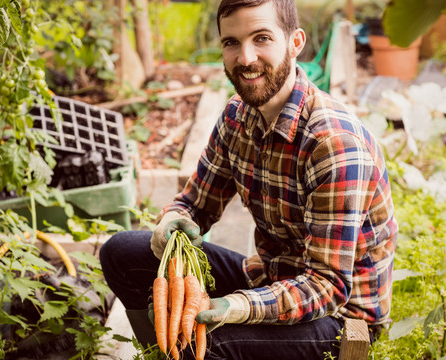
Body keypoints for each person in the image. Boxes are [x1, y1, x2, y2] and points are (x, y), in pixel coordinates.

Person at [99, 0, 398, 358]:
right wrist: (173, 220)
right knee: (122, 253)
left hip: (337, 315)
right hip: (270, 277)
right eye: (231, 43)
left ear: (295, 42)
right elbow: (195, 204)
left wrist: (234, 308)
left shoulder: (333, 144)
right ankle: (165, 350)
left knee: (202, 342)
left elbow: (327, 286)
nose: (245, 58)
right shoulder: (236, 116)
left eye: (261, 38)